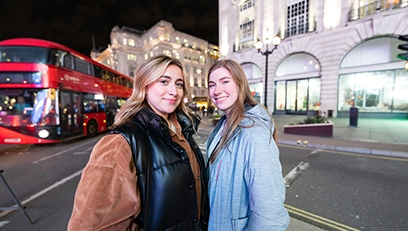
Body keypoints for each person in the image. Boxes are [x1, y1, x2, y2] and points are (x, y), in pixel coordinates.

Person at [68, 55, 208, 231]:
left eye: (179, 84)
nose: (174, 91)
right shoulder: (120, 143)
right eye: (164, 81)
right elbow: (90, 225)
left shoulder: (184, 130)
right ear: (145, 85)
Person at [205, 59, 290, 230]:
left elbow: (269, 210)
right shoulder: (223, 125)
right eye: (212, 84)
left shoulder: (254, 133)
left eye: (225, 82)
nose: (217, 90)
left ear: (240, 84)